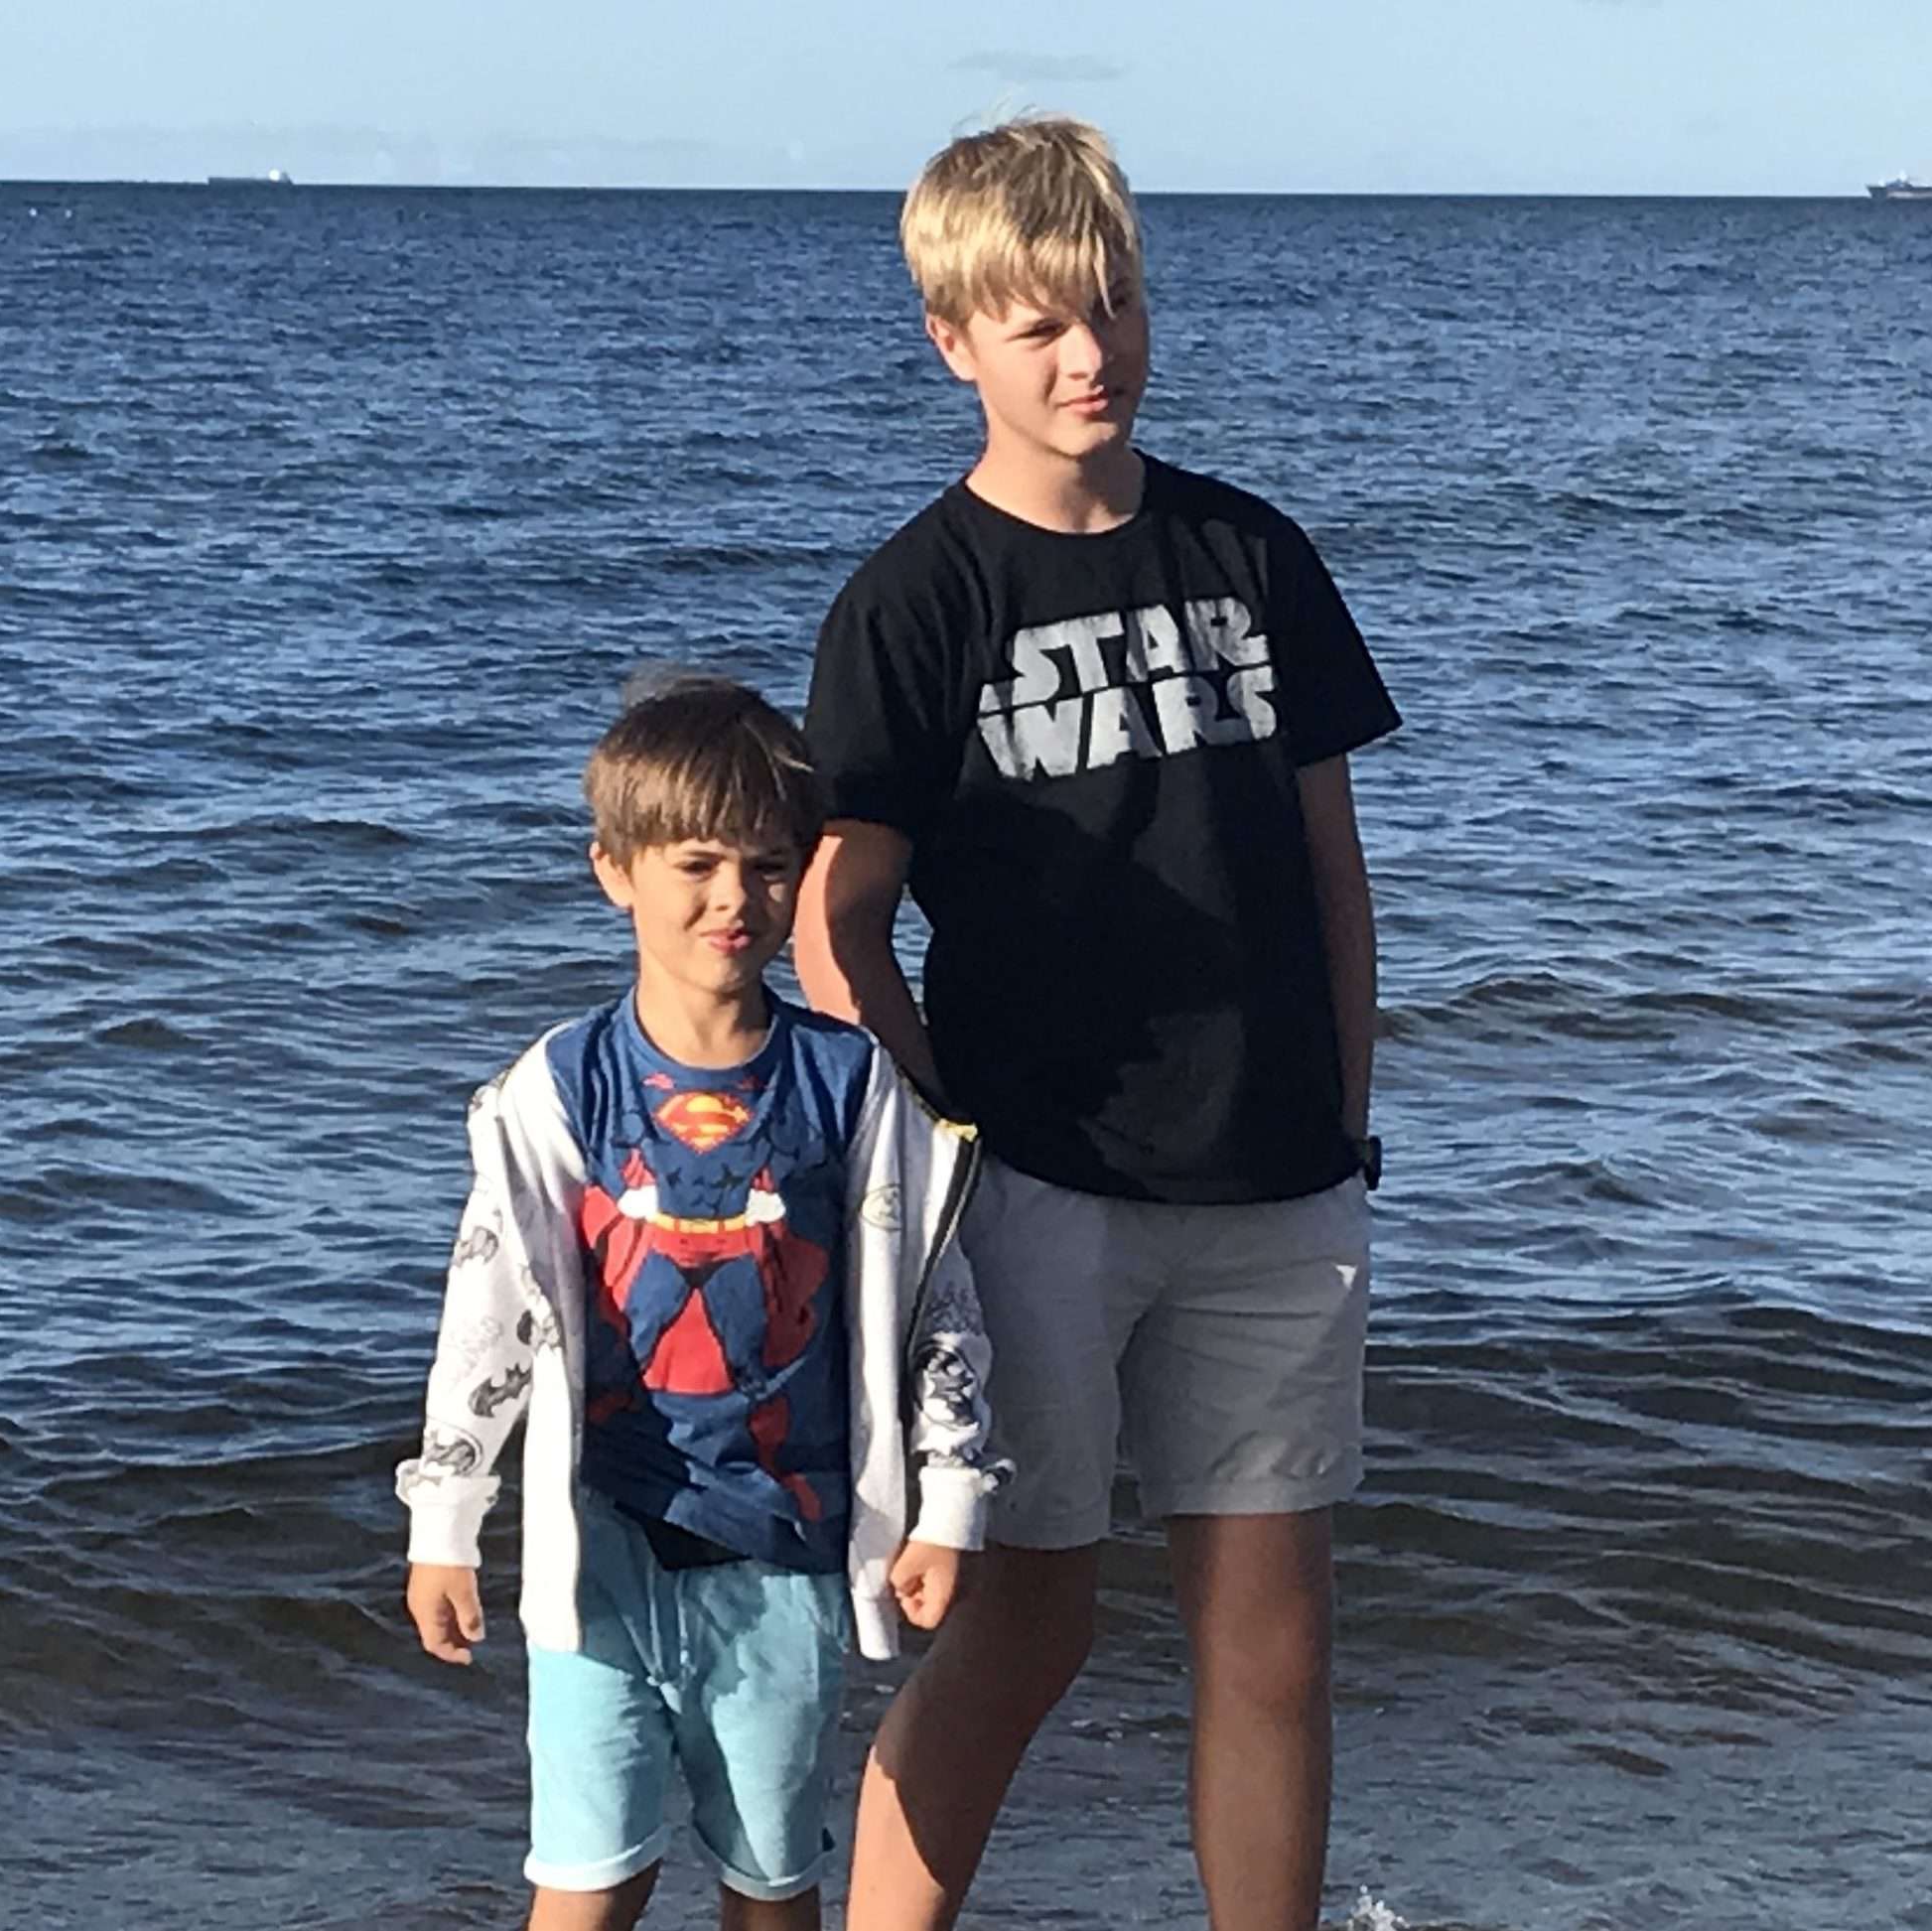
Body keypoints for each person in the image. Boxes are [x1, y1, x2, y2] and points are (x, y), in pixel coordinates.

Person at [795, 113, 1399, 1931]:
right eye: (1044, 322)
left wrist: (1345, 1118)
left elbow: (1331, 869)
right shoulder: (919, 599)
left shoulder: (1249, 552)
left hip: (1279, 1177)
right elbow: (836, 922)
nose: (1091, 353)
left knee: (1273, 1637)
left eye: (1116, 304)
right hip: (1036, 1189)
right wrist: (934, 1157)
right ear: (953, 341)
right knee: (1019, 1623)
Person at [396, 673, 1002, 1931]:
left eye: (768, 867)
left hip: (784, 1551)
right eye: (697, 864)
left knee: (770, 1884)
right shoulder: (560, 1085)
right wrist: (445, 1518)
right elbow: (489, 1307)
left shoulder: (847, 1081)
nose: (734, 898)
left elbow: (933, 1301)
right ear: (614, 871)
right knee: (588, 1880)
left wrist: (946, 1501)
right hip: (602, 1548)